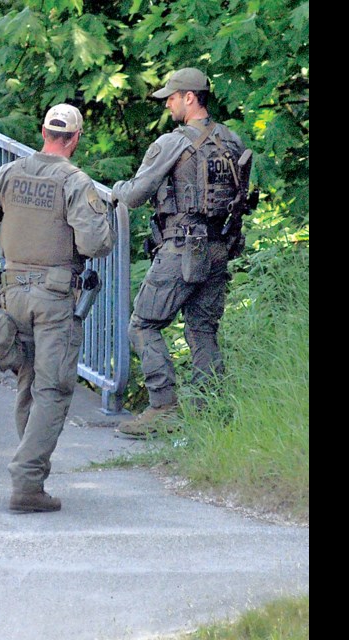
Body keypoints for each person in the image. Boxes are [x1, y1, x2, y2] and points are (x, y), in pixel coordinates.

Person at [0, 104, 116, 513]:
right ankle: (27, 481)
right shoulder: (75, 181)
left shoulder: (8, 174)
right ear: (76, 137)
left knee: (28, 383)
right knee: (52, 389)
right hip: (54, 297)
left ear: (44, 132)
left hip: (12, 291)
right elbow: (95, 245)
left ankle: (30, 474)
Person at [111, 68, 249, 438]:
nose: (168, 103)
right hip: (220, 248)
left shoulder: (173, 143)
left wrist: (114, 190)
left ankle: (163, 407)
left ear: (190, 97)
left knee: (143, 324)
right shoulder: (231, 141)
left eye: (171, 97)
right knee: (203, 330)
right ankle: (211, 411)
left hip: (183, 247)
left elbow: (135, 194)